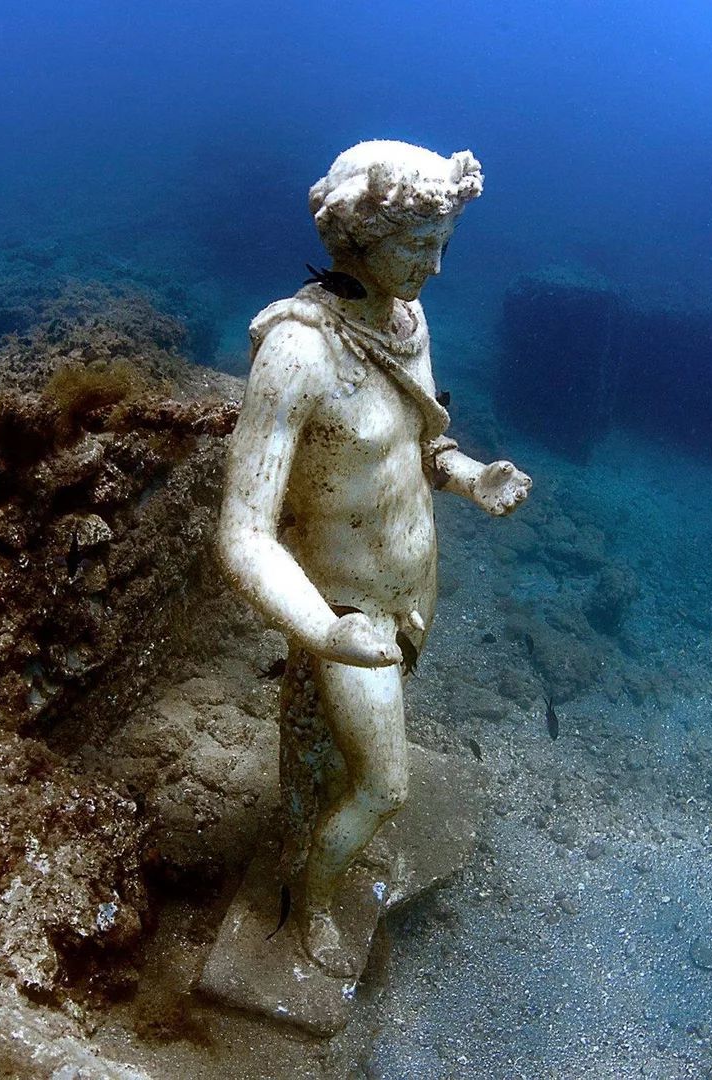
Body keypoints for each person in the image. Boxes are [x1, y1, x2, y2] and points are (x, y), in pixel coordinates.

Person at [217, 140, 531, 973]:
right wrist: (323, 631)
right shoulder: (297, 354)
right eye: (413, 245)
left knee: (335, 756)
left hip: (412, 586)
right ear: (355, 239)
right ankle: (310, 905)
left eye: (443, 245)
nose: (432, 267)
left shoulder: (407, 320)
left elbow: (417, 447)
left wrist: (469, 477)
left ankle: (307, 833)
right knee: (386, 787)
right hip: (346, 608)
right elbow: (243, 535)